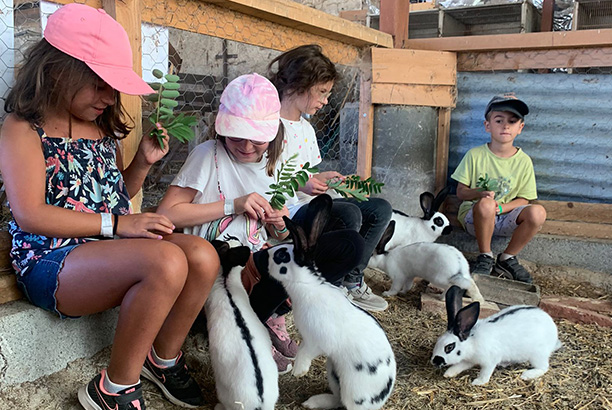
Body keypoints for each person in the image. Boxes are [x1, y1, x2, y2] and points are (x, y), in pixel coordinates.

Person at [0, 4, 219, 410]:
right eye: (100, 84)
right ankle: (114, 389)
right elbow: (29, 213)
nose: (110, 97)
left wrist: (142, 164)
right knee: (166, 262)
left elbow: (117, 195)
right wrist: (118, 225)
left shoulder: (102, 126)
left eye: (113, 87)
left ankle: (163, 359)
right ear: (59, 70)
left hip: (103, 249)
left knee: (203, 256)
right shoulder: (21, 128)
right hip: (51, 259)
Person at [157, 73, 297, 373]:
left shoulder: (274, 166)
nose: (246, 146)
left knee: (294, 261)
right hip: (217, 263)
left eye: (257, 139)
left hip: (253, 260)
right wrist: (231, 205)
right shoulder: (209, 155)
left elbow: (279, 231)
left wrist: (279, 221)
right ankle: (251, 331)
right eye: (236, 136)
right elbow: (167, 214)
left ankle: (266, 319)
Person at [267, 44, 392, 312]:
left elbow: (308, 173)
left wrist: (325, 179)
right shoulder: (268, 124)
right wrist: (302, 183)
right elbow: (259, 176)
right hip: (284, 210)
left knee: (380, 209)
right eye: (322, 92)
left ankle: (352, 280)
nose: (325, 101)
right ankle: (330, 286)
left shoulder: (306, 129)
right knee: (348, 215)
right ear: (301, 85)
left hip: (306, 203)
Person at [451, 93, 547, 283]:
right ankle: (485, 256)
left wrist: (501, 208)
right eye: (499, 120)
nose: (505, 126)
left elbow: (524, 200)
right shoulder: (475, 155)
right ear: (487, 125)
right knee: (486, 204)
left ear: (520, 128)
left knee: (538, 213)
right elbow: (461, 192)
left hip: (505, 216)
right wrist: (480, 193)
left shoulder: (524, 161)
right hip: (476, 218)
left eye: (512, 121)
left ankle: (507, 258)